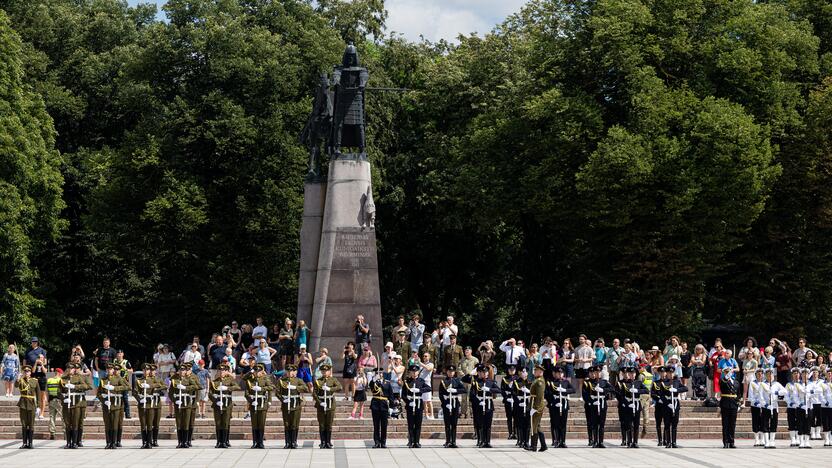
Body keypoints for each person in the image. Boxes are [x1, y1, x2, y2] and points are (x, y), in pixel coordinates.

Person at [462, 364, 502, 448]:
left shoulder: (491, 382)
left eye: (486, 372)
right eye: (483, 372)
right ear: (479, 373)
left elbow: (499, 390)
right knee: (480, 424)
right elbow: (472, 395)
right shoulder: (475, 382)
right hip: (479, 405)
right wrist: (479, 401)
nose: (485, 373)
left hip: (488, 405)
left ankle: (487, 441)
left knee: (488, 424)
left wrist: (489, 389)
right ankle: (481, 440)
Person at [97, 362, 129, 449]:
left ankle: (114, 442)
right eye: (107, 369)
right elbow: (98, 394)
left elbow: (128, 387)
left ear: (113, 370)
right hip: (106, 405)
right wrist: (104, 400)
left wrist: (115, 388)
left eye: (110, 369)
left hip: (116, 404)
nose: (109, 370)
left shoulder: (118, 379)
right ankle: (108, 442)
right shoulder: (103, 380)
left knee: (115, 424)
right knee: (107, 424)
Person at [170, 363, 201, 448]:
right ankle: (180, 442)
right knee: (179, 423)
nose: (183, 371)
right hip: (178, 404)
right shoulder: (174, 379)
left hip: (188, 402)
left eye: (184, 370)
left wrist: (186, 388)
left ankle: (187, 441)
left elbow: (197, 387)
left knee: (188, 423)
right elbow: (170, 393)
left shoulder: (191, 378)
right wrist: (175, 401)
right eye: (181, 370)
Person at [59, 362, 91, 449]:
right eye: (69, 368)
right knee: (67, 423)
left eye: (72, 368)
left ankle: (75, 442)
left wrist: (74, 386)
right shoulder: (63, 378)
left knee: (76, 423)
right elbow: (59, 391)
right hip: (67, 403)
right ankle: (68, 442)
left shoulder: (79, 377)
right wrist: (63, 398)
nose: (70, 370)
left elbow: (85, 385)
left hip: (76, 403)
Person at [209, 362, 240, 449]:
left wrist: (227, 388)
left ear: (226, 371)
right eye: (220, 370)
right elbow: (210, 394)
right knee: (218, 423)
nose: (221, 372)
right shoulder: (214, 382)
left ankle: (225, 441)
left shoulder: (230, 380)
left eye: (223, 370)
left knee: (225, 423)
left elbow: (237, 387)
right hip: (218, 404)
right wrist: (215, 401)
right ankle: (219, 442)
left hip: (227, 403)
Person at [133, 363, 164, 449]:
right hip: (142, 404)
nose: (146, 371)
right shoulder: (138, 381)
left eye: (148, 370)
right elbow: (135, 392)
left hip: (151, 404)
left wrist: (150, 386)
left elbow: (160, 385)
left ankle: (150, 442)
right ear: (142, 371)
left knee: (150, 424)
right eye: (144, 370)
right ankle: (144, 442)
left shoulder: (153, 380)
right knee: (143, 424)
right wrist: (139, 399)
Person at [277, 363, 308, 449]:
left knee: (294, 424)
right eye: (288, 371)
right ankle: (287, 442)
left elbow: (306, 388)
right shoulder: (282, 381)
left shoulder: (298, 380)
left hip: (296, 404)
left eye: (292, 371)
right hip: (286, 404)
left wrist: (295, 387)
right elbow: (277, 392)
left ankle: (294, 442)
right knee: (287, 424)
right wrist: (283, 400)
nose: (290, 373)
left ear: (295, 372)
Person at [244, 363, 274, 449]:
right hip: (253, 404)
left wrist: (262, 389)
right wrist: (251, 400)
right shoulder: (250, 380)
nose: (257, 373)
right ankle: (254, 442)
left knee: (261, 423)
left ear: (262, 371)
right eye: (256, 371)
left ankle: (260, 442)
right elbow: (246, 393)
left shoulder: (265, 379)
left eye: (259, 371)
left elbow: (272, 387)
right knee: (254, 424)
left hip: (262, 403)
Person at [583, 365, 614, 448]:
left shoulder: (604, 382)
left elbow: (612, 389)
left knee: (602, 424)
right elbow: (585, 395)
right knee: (595, 424)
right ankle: (595, 441)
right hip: (593, 405)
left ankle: (601, 442)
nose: (596, 374)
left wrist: (603, 390)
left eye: (598, 372)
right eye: (595, 372)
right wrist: (591, 402)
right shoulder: (588, 382)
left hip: (602, 404)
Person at [312, 363, 342, 449]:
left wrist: (330, 389)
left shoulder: (333, 380)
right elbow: (314, 393)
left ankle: (328, 442)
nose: (324, 372)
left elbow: (340, 387)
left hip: (330, 403)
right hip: (321, 404)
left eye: (326, 371)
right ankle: (323, 442)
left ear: (329, 371)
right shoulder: (318, 381)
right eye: (323, 371)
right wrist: (319, 402)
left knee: (329, 424)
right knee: (322, 424)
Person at [618, 366, 649, 448]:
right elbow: (621, 395)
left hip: (637, 404)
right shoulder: (624, 384)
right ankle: (629, 441)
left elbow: (646, 390)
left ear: (635, 374)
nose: (632, 375)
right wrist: (626, 403)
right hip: (628, 405)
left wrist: (638, 391)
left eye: (633, 373)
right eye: (630, 373)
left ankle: (635, 442)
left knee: (636, 424)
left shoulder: (638, 383)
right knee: (628, 424)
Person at [402, 364, 431, 448]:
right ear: (410, 372)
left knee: (418, 424)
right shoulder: (407, 381)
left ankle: (417, 442)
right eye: (412, 372)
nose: (414, 373)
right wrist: (408, 401)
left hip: (418, 404)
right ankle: (411, 441)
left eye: (416, 371)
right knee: (410, 424)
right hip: (410, 405)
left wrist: (420, 390)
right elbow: (403, 395)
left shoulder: (421, 381)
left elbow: (429, 388)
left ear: (418, 372)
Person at [545, 365, 575, 448]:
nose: (560, 374)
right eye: (558, 373)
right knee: (556, 423)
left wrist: (565, 390)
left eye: (561, 373)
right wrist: (553, 401)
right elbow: (546, 394)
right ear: (555, 374)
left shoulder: (566, 382)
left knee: (563, 424)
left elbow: (573, 390)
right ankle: (556, 440)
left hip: (564, 404)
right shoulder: (551, 382)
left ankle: (563, 441)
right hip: (555, 405)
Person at [659, 365, 688, 448]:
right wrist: (668, 404)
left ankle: (674, 442)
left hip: (675, 404)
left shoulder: (677, 382)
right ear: (666, 373)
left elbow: (685, 388)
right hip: (667, 405)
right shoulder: (663, 382)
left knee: (674, 425)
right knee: (667, 424)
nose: (671, 374)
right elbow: (661, 395)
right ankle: (668, 442)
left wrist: (677, 390)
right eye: (669, 373)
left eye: (672, 373)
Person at [438, 364, 465, 447]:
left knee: (454, 423)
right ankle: (448, 441)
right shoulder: (443, 381)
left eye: (452, 371)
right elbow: (440, 394)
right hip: (447, 404)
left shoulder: (457, 380)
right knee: (447, 423)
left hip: (455, 403)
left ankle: (453, 441)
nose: (451, 373)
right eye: (449, 371)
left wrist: (455, 390)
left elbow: (464, 390)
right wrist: (445, 404)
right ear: (447, 372)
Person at [759, 367, 785, 449]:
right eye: (768, 374)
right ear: (766, 375)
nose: (770, 376)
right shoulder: (762, 384)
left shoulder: (776, 384)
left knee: (774, 423)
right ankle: (766, 441)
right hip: (766, 407)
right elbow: (760, 396)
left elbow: (784, 391)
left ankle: (772, 441)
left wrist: (777, 392)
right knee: (765, 423)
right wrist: (765, 404)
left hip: (774, 407)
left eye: (771, 374)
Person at [369, 367, 393, 448]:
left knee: (384, 425)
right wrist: (374, 380)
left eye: (381, 373)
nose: (380, 374)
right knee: (376, 425)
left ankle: (383, 442)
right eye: (377, 373)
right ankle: (376, 442)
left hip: (384, 405)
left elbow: (391, 395)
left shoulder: (387, 383)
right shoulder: (374, 382)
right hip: (375, 404)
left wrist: (391, 407)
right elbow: (371, 386)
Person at [16, 365, 39, 449]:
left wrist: (39, 406)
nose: (26, 372)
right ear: (23, 372)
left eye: (28, 371)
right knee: (24, 424)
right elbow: (15, 385)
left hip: (32, 404)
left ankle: (30, 443)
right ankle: (24, 443)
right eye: (25, 371)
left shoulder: (35, 381)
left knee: (31, 424)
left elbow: (38, 394)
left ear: (30, 372)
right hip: (23, 404)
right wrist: (18, 378)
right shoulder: (20, 380)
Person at [527, 364, 548, 452]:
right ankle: (543, 445)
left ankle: (533, 446)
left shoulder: (540, 381)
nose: (534, 372)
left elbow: (539, 396)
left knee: (534, 426)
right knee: (537, 425)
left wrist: (535, 408)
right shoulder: (537, 380)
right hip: (534, 404)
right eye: (535, 370)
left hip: (537, 405)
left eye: (536, 371)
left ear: (541, 372)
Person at [24, 338, 47, 416]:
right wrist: (24, 370)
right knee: (32, 393)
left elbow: (45, 362)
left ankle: (42, 413)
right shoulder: (28, 350)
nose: (34, 343)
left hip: (42, 377)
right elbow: (25, 361)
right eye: (33, 341)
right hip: (32, 376)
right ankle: (34, 411)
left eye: (35, 342)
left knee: (42, 395)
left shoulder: (42, 350)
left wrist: (41, 363)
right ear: (31, 342)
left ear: (37, 342)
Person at [719, 366, 740, 448]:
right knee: (725, 424)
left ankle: (731, 442)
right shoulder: (723, 381)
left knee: (732, 424)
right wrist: (726, 376)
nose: (728, 373)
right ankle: (726, 442)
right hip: (725, 404)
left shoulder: (736, 382)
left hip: (734, 404)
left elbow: (738, 394)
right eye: (726, 372)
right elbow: (723, 382)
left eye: (729, 372)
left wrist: (738, 403)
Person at [513, 367, 532, 449]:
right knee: (520, 424)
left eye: (525, 372)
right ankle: (521, 440)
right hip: (519, 405)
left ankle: (527, 441)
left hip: (527, 405)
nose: (524, 373)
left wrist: (529, 392)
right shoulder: (516, 382)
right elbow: (513, 393)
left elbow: (535, 394)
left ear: (527, 373)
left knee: (527, 424)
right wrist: (518, 401)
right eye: (522, 372)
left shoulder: (530, 383)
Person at [500, 364, 518, 439]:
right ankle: (510, 433)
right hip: (508, 400)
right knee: (509, 417)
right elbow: (502, 389)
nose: (511, 371)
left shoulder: (518, 378)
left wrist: (515, 396)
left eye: (513, 370)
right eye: (510, 370)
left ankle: (516, 433)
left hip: (516, 401)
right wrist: (506, 397)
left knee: (516, 417)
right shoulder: (505, 379)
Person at [46, 368, 64, 440]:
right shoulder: (60, 380)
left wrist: (48, 400)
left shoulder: (49, 380)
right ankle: (65, 432)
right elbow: (63, 390)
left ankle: (52, 433)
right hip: (59, 400)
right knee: (63, 416)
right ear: (59, 373)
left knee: (51, 417)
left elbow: (47, 391)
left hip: (51, 400)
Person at [748, 367, 765, 446]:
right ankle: (756, 439)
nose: (760, 375)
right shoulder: (752, 383)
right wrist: (755, 403)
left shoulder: (765, 383)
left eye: (761, 374)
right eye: (758, 374)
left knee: (763, 421)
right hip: (755, 405)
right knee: (755, 421)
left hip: (764, 405)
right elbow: (751, 395)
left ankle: (762, 439)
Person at [418, 352, 435, 418]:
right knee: (424, 401)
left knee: (428, 400)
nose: (424, 357)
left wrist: (421, 364)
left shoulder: (431, 364)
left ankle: (432, 414)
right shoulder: (421, 364)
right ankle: (426, 414)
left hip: (427, 383)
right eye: (424, 356)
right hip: (421, 383)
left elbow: (429, 368)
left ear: (429, 357)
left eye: (426, 356)